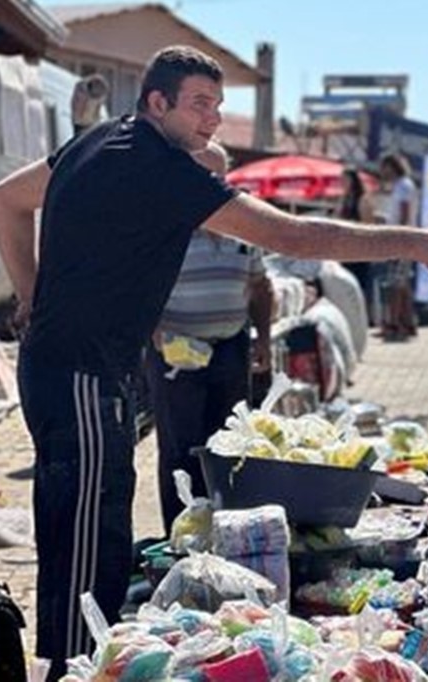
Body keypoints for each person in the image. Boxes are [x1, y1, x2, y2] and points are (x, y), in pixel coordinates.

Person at [0, 44, 428, 679]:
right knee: (87, 526)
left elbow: (7, 198)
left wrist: (32, 298)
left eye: (219, 106)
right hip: (80, 370)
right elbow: (294, 236)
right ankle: (71, 668)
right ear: (156, 102)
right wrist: (415, 242)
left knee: (99, 514)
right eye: (199, 104)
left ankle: (87, 661)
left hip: (77, 366)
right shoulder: (157, 162)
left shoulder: (101, 141)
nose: (213, 119)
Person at [146, 141, 273, 533]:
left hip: (230, 347)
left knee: (230, 446)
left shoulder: (243, 227)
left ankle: (227, 531)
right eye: (202, 175)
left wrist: (264, 339)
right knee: (180, 451)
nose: (211, 185)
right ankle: (182, 536)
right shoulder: (164, 225)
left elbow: (260, 285)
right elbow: (138, 287)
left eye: (219, 177)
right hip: (176, 352)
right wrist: (155, 333)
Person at [378, 152, 419, 341]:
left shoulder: (403, 186)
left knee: (395, 284)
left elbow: (404, 212)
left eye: (385, 167)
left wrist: (397, 237)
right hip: (405, 240)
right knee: (402, 284)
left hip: (401, 241)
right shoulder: (402, 186)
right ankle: (408, 323)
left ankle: (393, 324)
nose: (382, 172)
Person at [337, 167, 376, 311]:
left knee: (359, 284)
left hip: (359, 249)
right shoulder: (344, 199)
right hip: (345, 249)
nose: (343, 183)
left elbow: (368, 225)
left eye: (345, 180)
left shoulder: (362, 199)